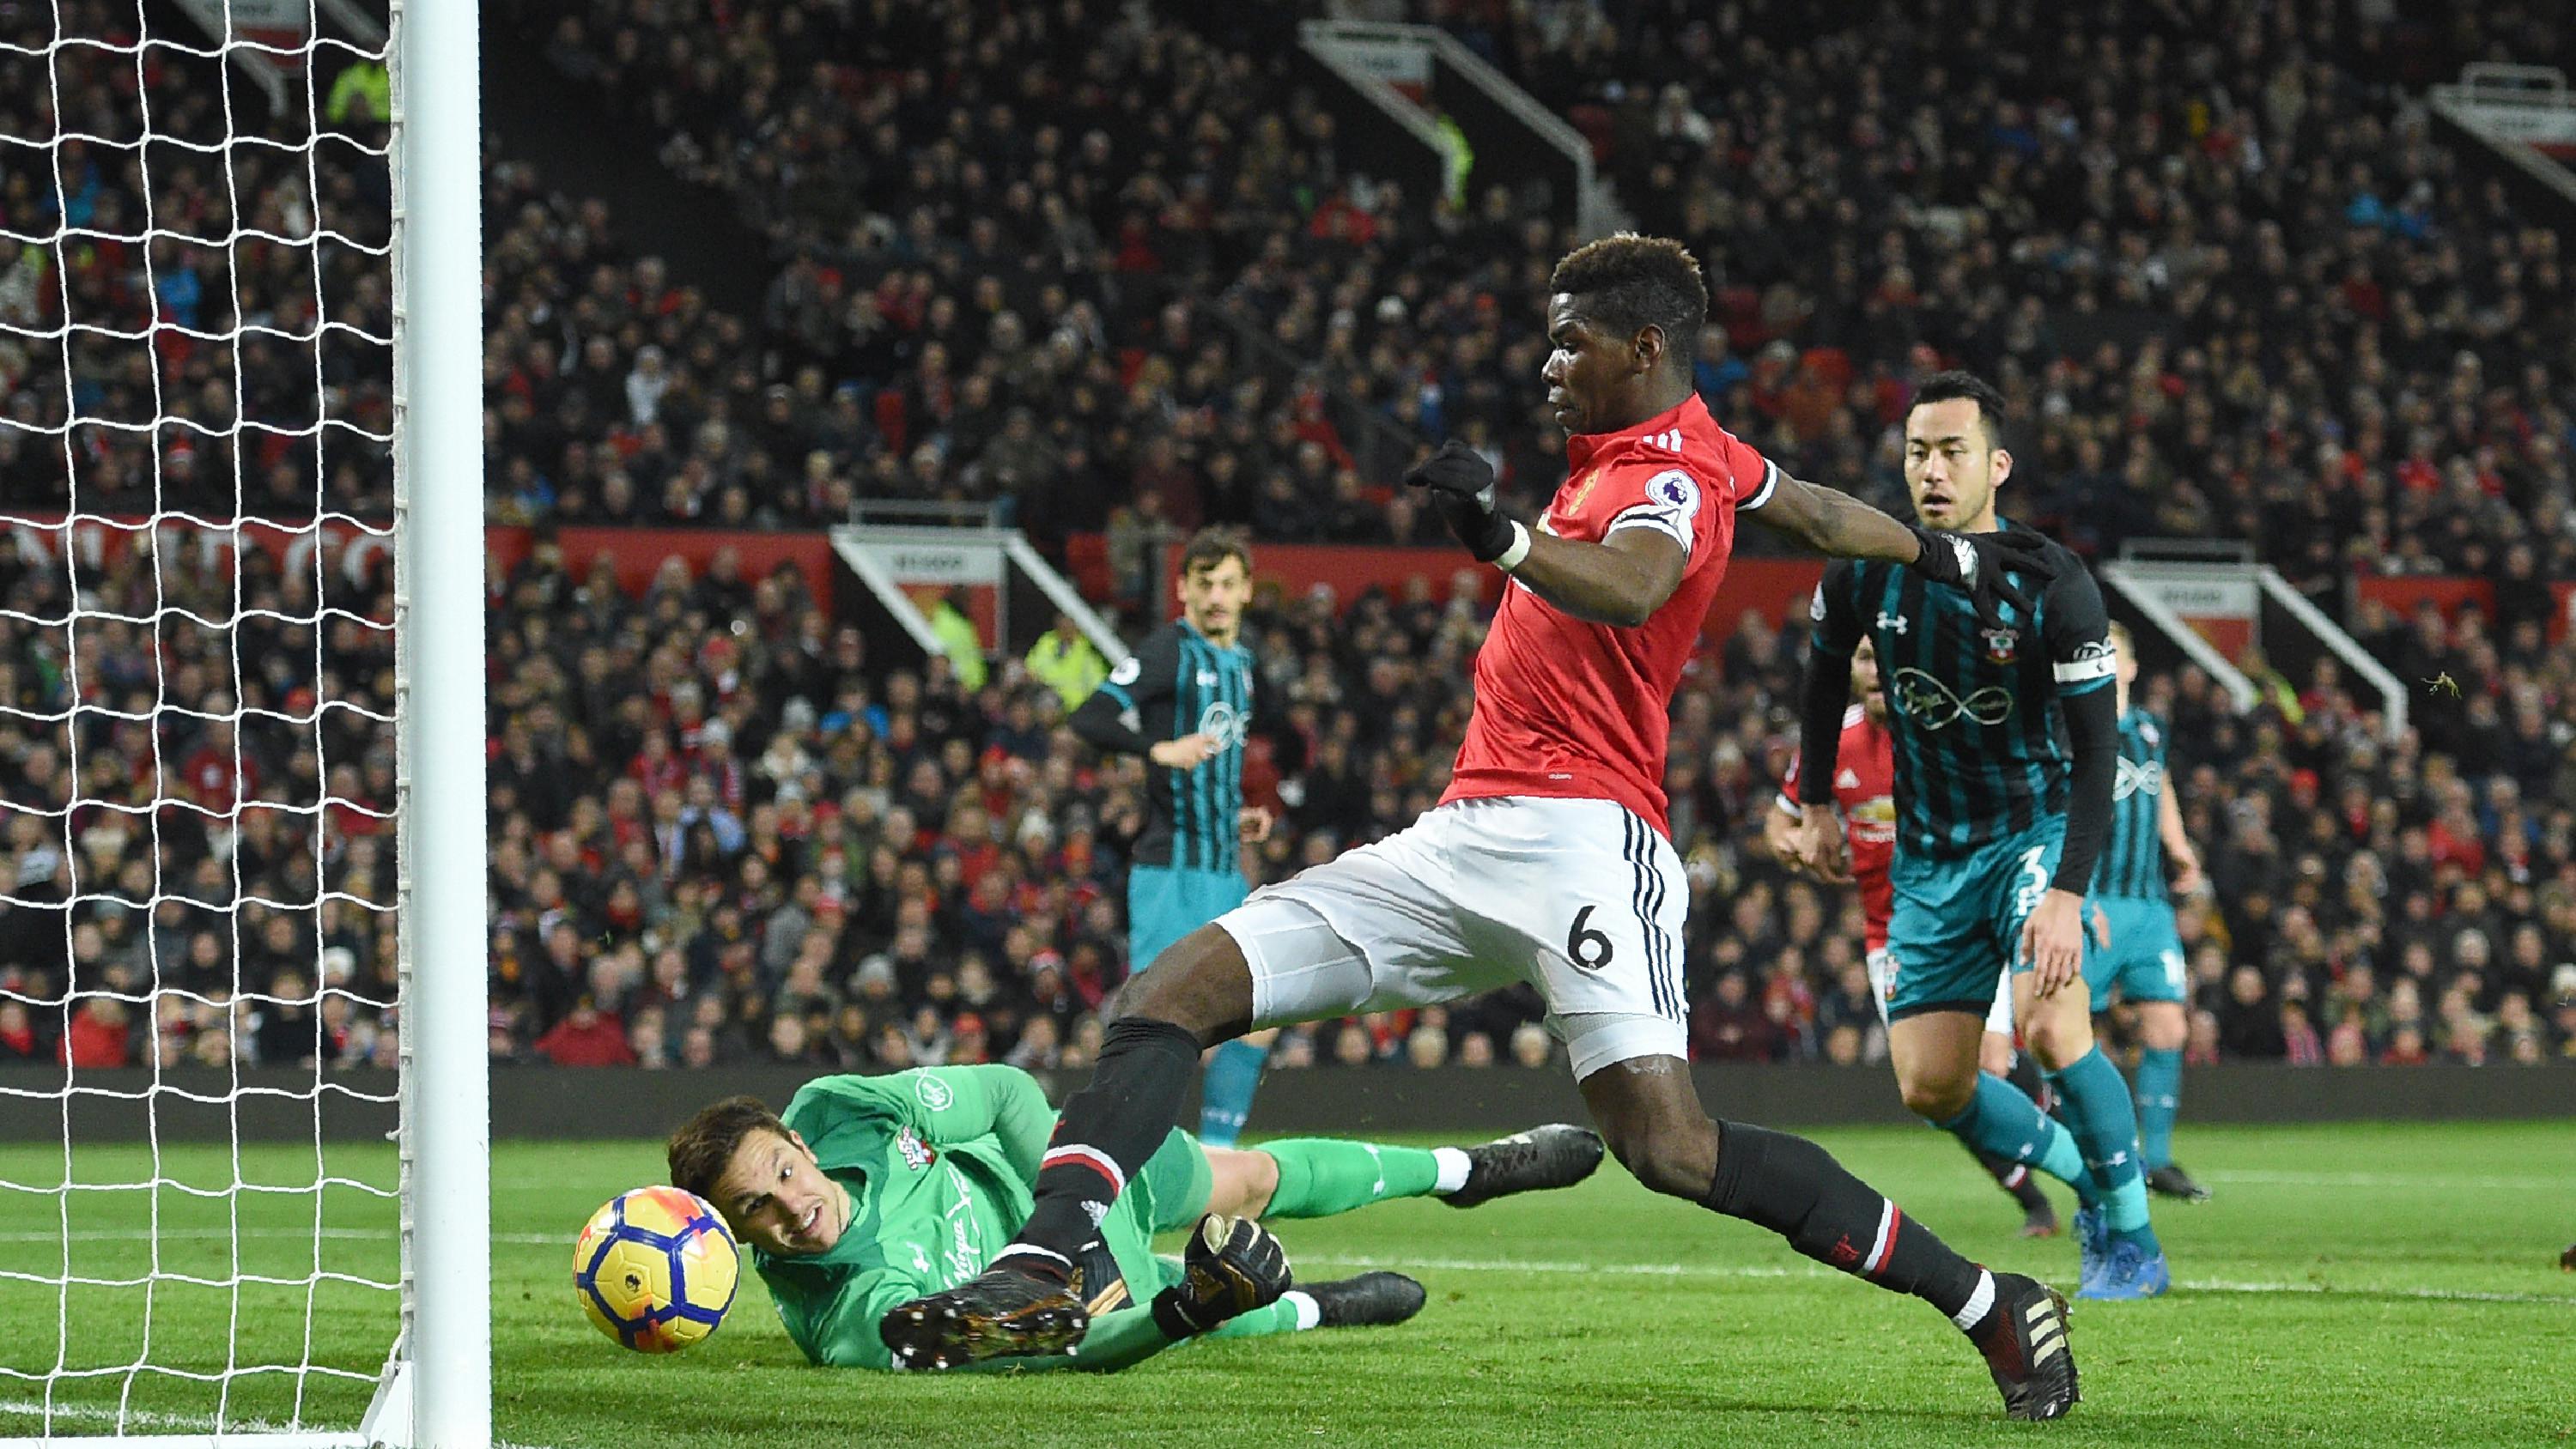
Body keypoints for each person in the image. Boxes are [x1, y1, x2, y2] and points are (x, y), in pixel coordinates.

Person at [883, 234, 2081, 1422]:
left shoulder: (1668, 473)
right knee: (1166, 994)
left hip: (1586, 843)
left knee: (1670, 1148)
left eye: (1572, 339)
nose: (1548, 362)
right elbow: (1815, 509)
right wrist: (1940, 550)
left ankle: (1992, 1302)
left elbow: (1635, 585)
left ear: (1646, 346)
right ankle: (1045, 1263)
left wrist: (1499, 536)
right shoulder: (1697, 452)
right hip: (1460, 833)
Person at [1786, 371, 2169, 1302]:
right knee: (1931, 1087)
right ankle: (2094, 1176)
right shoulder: (1862, 570)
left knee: (2047, 1023)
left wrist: (2068, 893)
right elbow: (1823, 674)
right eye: (1918, 450)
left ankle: (2132, 1241)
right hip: (1931, 856)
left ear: (1995, 464)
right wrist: (1818, 803)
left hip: (2031, 833)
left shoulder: (2052, 583)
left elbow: (2095, 750)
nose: (1931, 468)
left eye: (1952, 450)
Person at [664, 1064, 1606, 1370]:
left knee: (1247, 1177)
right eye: (761, 1209)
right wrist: (1176, 1314)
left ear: (796, 1135)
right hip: (1089, 1287)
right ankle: (1323, 1305)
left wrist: (1073, 1206)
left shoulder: (843, 1108)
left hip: (1072, 1182)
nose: (798, 1204)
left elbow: (1001, 1093)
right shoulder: (856, 1314)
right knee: (1224, 1292)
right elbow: (1057, 1347)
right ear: (735, 1239)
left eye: (786, 1171)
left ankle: (1468, 1169)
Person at [1765, 638, 2063, 1238]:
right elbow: (1781, 818)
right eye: (1864, 659)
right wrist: (1792, 843)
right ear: (1851, 671)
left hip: (1968, 922)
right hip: (1889, 937)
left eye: (1884, 657)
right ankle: (2036, 1197)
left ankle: (2076, 1146)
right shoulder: (1831, 744)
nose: (1875, 671)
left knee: (1991, 1061)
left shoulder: (1946, 733)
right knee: (1932, 1091)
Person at [1069, 528, 1280, 1148]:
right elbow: (1092, 717)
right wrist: (1155, 748)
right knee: (1158, 1026)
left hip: (1223, 868)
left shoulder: (1243, 665)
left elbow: (1213, 765)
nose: (1216, 597)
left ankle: (1216, 1157)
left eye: (1227, 584)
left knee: (1262, 1015)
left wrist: (1233, 816)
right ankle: (1110, 1152)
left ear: (1246, 591)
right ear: (1183, 589)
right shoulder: (1168, 651)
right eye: (1204, 584)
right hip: (1171, 874)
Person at [2088, 622, 2210, 1201]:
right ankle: (2095, 1155)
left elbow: (2159, 791)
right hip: (2090, 900)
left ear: (2132, 668)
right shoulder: (2073, 727)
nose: (2106, 663)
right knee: (2072, 1034)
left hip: (2149, 904)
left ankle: (2156, 1159)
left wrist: (2180, 846)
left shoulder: (2150, 730)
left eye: (2115, 655)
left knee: (2168, 1025)